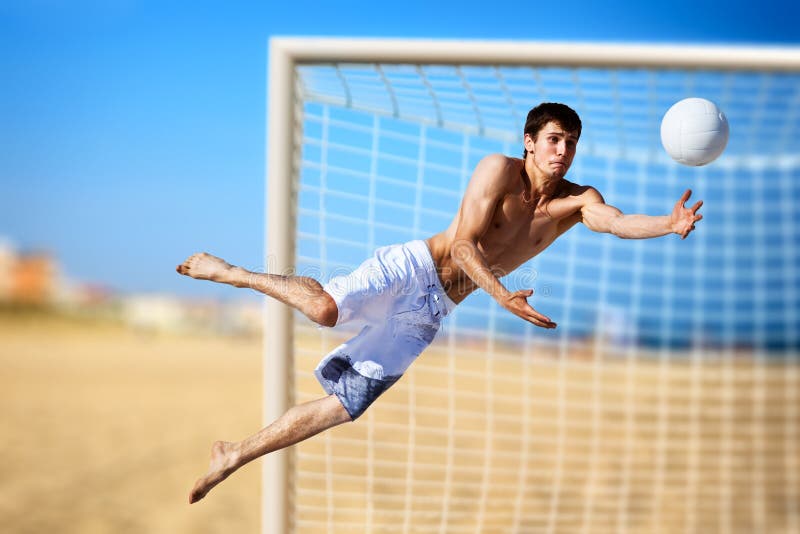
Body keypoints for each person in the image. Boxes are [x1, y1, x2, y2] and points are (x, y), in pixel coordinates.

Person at [177, 102, 703, 503]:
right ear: (529, 142)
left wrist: (667, 223)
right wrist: (502, 298)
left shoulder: (577, 200)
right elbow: (463, 246)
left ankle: (235, 453)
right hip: (414, 267)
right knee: (324, 311)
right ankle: (238, 274)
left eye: (570, 142)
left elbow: (613, 220)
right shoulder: (498, 171)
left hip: (432, 312)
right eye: (553, 139)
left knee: (345, 406)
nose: (562, 150)